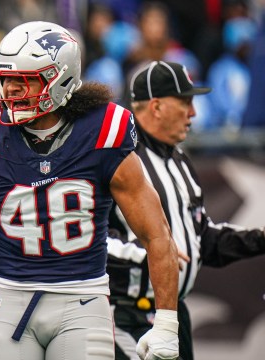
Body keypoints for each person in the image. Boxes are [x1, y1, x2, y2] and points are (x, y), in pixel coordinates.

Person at [0, 21, 180, 360]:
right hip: (8, 296)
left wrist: (167, 323)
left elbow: (157, 234)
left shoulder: (103, 130)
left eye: (22, 80)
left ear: (60, 81)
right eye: (6, 78)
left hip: (82, 298)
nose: (9, 90)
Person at [107, 60, 265, 360]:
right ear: (156, 107)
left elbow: (201, 238)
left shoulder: (179, 160)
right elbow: (86, 239)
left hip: (174, 312)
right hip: (129, 312)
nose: (193, 113)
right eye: (185, 103)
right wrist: (149, 251)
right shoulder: (118, 159)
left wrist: (258, 238)